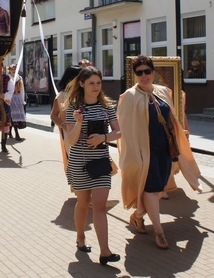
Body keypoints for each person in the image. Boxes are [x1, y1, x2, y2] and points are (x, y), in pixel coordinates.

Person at [117, 55, 203, 250]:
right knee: (151, 189)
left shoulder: (163, 91)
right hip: (144, 153)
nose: (144, 75)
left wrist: (181, 139)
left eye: (147, 71)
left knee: (160, 189)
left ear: (154, 72)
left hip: (165, 150)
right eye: (139, 72)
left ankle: (138, 216)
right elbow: (125, 129)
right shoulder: (129, 97)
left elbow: (173, 119)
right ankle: (159, 232)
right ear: (135, 75)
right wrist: (133, 156)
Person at [64, 66, 121, 265]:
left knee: (99, 207)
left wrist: (103, 137)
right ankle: (80, 236)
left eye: (98, 83)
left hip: (100, 161)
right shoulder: (73, 108)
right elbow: (70, 141)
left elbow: (118, 132)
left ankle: (105, 251)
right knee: (82, 203)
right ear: (82, 84)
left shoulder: (107, 106)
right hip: (79, 161)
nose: (96, 87)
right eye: (91, 83)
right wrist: (79, 123)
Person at [51, 65, 82, 174]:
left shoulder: (85, 93)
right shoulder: (61, 96)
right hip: (70, 135)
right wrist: (64, 125)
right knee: (75, 165)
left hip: (86, 134)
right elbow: (53, 115)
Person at [7, 64, 26, 142]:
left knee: (15, 116)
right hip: (11, 98)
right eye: (12, 69)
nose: (14, 71)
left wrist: (22, 100)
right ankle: (16, 134)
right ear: (10, 70)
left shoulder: (19, 78)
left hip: (17, 98)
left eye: (15, 69)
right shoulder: (8, 78)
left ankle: (10, 132)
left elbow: (22, 90)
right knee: (12, 116)